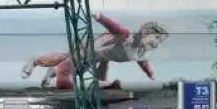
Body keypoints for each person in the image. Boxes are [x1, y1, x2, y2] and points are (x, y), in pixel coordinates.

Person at [21, 13, 168, 90]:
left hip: (98, 57)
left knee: (77, 70)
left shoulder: (140, 53)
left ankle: (52, 72)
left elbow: (144, 63)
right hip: (91, 47)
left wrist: (151, 75)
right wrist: (100, 17)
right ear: (145, 32)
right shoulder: (126, 37)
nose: (157, 44)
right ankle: (35, 61)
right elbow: (115, 27)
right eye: (156, 38)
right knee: (66, 60)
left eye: (160, 42)